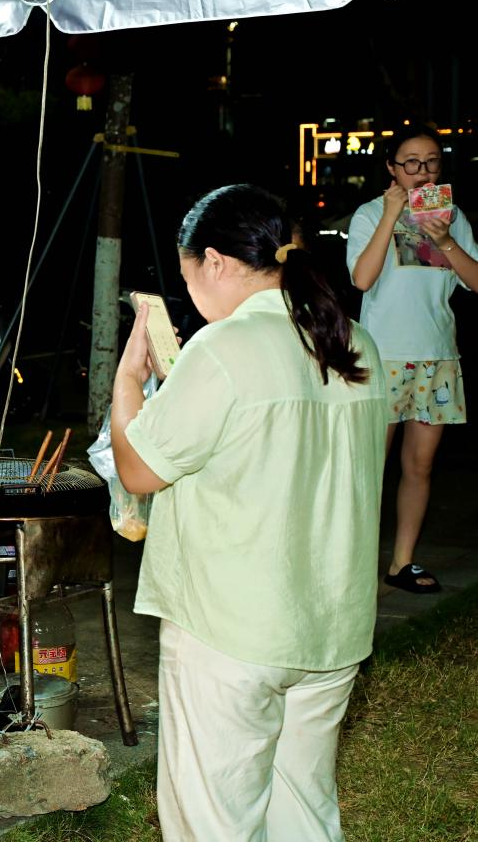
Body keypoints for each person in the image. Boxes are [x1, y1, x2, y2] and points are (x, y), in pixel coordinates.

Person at [111, 184, 388, 841]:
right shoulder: (355, 342)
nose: (191, 296)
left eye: (188, 278)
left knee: (215, 820)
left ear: (214, 261)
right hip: (331, 625)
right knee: (303, 810)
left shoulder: (221, 348)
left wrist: (128, 381)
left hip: (231, 630)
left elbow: (138, 469)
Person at [347, 125, 478, 593]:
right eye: (411, 163)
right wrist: (391, 215)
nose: (422, 172)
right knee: (370, 468)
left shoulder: (453, 216)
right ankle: (354, 564)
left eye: (431, 161)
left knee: (419, 467)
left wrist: (445, 240)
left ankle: (401, 563)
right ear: (392, 167)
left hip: (436, 357)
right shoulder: (369, 213)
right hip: (382, 357)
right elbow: (362, 279)